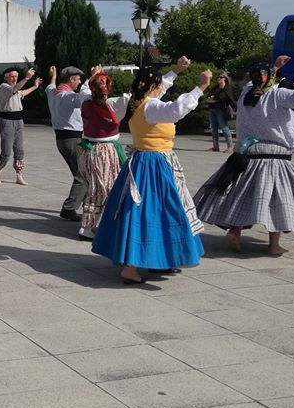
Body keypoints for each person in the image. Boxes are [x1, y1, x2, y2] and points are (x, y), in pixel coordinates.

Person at [194, 54, 294, 257]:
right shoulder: (279, 95)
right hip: (275, 157)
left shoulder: (247, 92)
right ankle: (273, 245)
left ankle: (235, 230)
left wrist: (273, 67)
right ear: (273, 79)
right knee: (278, 200)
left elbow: (261, 79)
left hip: (246, 154)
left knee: (242, 195)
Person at [92, 65, 212, 284]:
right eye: (159, 85)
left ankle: (155, 260)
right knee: (153, 211)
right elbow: (176, 109)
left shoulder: (135, 103)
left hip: (145, 162)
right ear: (153, 86)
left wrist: (175, 71)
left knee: (151, 211)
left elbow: (160, 91)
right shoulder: (151, 106)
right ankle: (132, 266)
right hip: (154, 164)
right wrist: (201, 87)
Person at [77, 58, 188, 241]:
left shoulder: (85, 99)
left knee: (94, 187)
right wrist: (174, 72)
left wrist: (95, 75)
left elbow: (85, 88)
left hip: (86, 150)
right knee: (104, 189)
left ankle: (91, 224)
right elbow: (148, 94)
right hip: (104, 151)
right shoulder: (117, 103)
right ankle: (90, 227)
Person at [45, 65, 101, 220]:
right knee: (82, 174)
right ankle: (69, 208)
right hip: (72, 140)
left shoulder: (53, 93)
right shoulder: (66, 97)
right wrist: (93, 77)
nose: (80, 81)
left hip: (64, 139)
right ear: (71, 80)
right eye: (78, 79)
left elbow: (49, 87)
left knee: (82, 173)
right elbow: (83, 97)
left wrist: (53, 76)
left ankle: (85, 204)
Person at [0, 67, 41, 185]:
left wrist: (35, 86)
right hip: (7, 121)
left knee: (20, 150)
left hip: (19, 121)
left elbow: (22, 92)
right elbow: (16, 88)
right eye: (12, 76)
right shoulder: (4, 87)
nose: (14, 79)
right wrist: (27, 78)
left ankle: (19, 175)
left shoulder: (15, 90)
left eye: (16, 76)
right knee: (6, 150)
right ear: (6, 77)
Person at [205, 71, 236, 152]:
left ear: (225, 79)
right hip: (213, 110)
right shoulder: (215, 88)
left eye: (221, 77)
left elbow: (221, 98)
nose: (219, 78)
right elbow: (208, 98)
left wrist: (213, 99)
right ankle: (215, 147)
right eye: (218, 77)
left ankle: (230, 147)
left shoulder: (227, 88)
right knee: (213, 129)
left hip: (221, 111)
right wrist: (213, 99)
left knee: (225, 128)